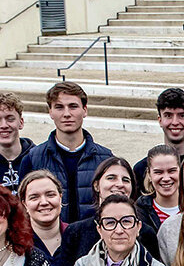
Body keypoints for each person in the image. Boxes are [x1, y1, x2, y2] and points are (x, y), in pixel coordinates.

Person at [18, 81, 113, 224]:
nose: (67, 114)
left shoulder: (106, 159)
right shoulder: (32, 159)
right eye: (59, 107)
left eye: (73, 107)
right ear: (50, 112)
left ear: (85, 110)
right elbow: (23, 209)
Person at [55, 157, 161, 266]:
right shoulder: (76, 232)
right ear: (96, 185)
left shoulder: (146, 233)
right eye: (111, 178)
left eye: (126, 180)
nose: (120, 184)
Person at [132, 88, 184, 191]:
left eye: (182, 115)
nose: (175, 122)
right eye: (168, 115)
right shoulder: (141, 169)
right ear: (160, 120)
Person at [18, 170, 66, 266]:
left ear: (60, 198)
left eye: (50, 195)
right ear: (24, 204)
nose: (44, 202)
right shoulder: (16, 242)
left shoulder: (78, 236)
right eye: (34, 197)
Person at [136, 144, 182, 230]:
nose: (166, 178)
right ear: (149, 175)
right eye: (158, 172)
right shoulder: (139, 213)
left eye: (172, 171)